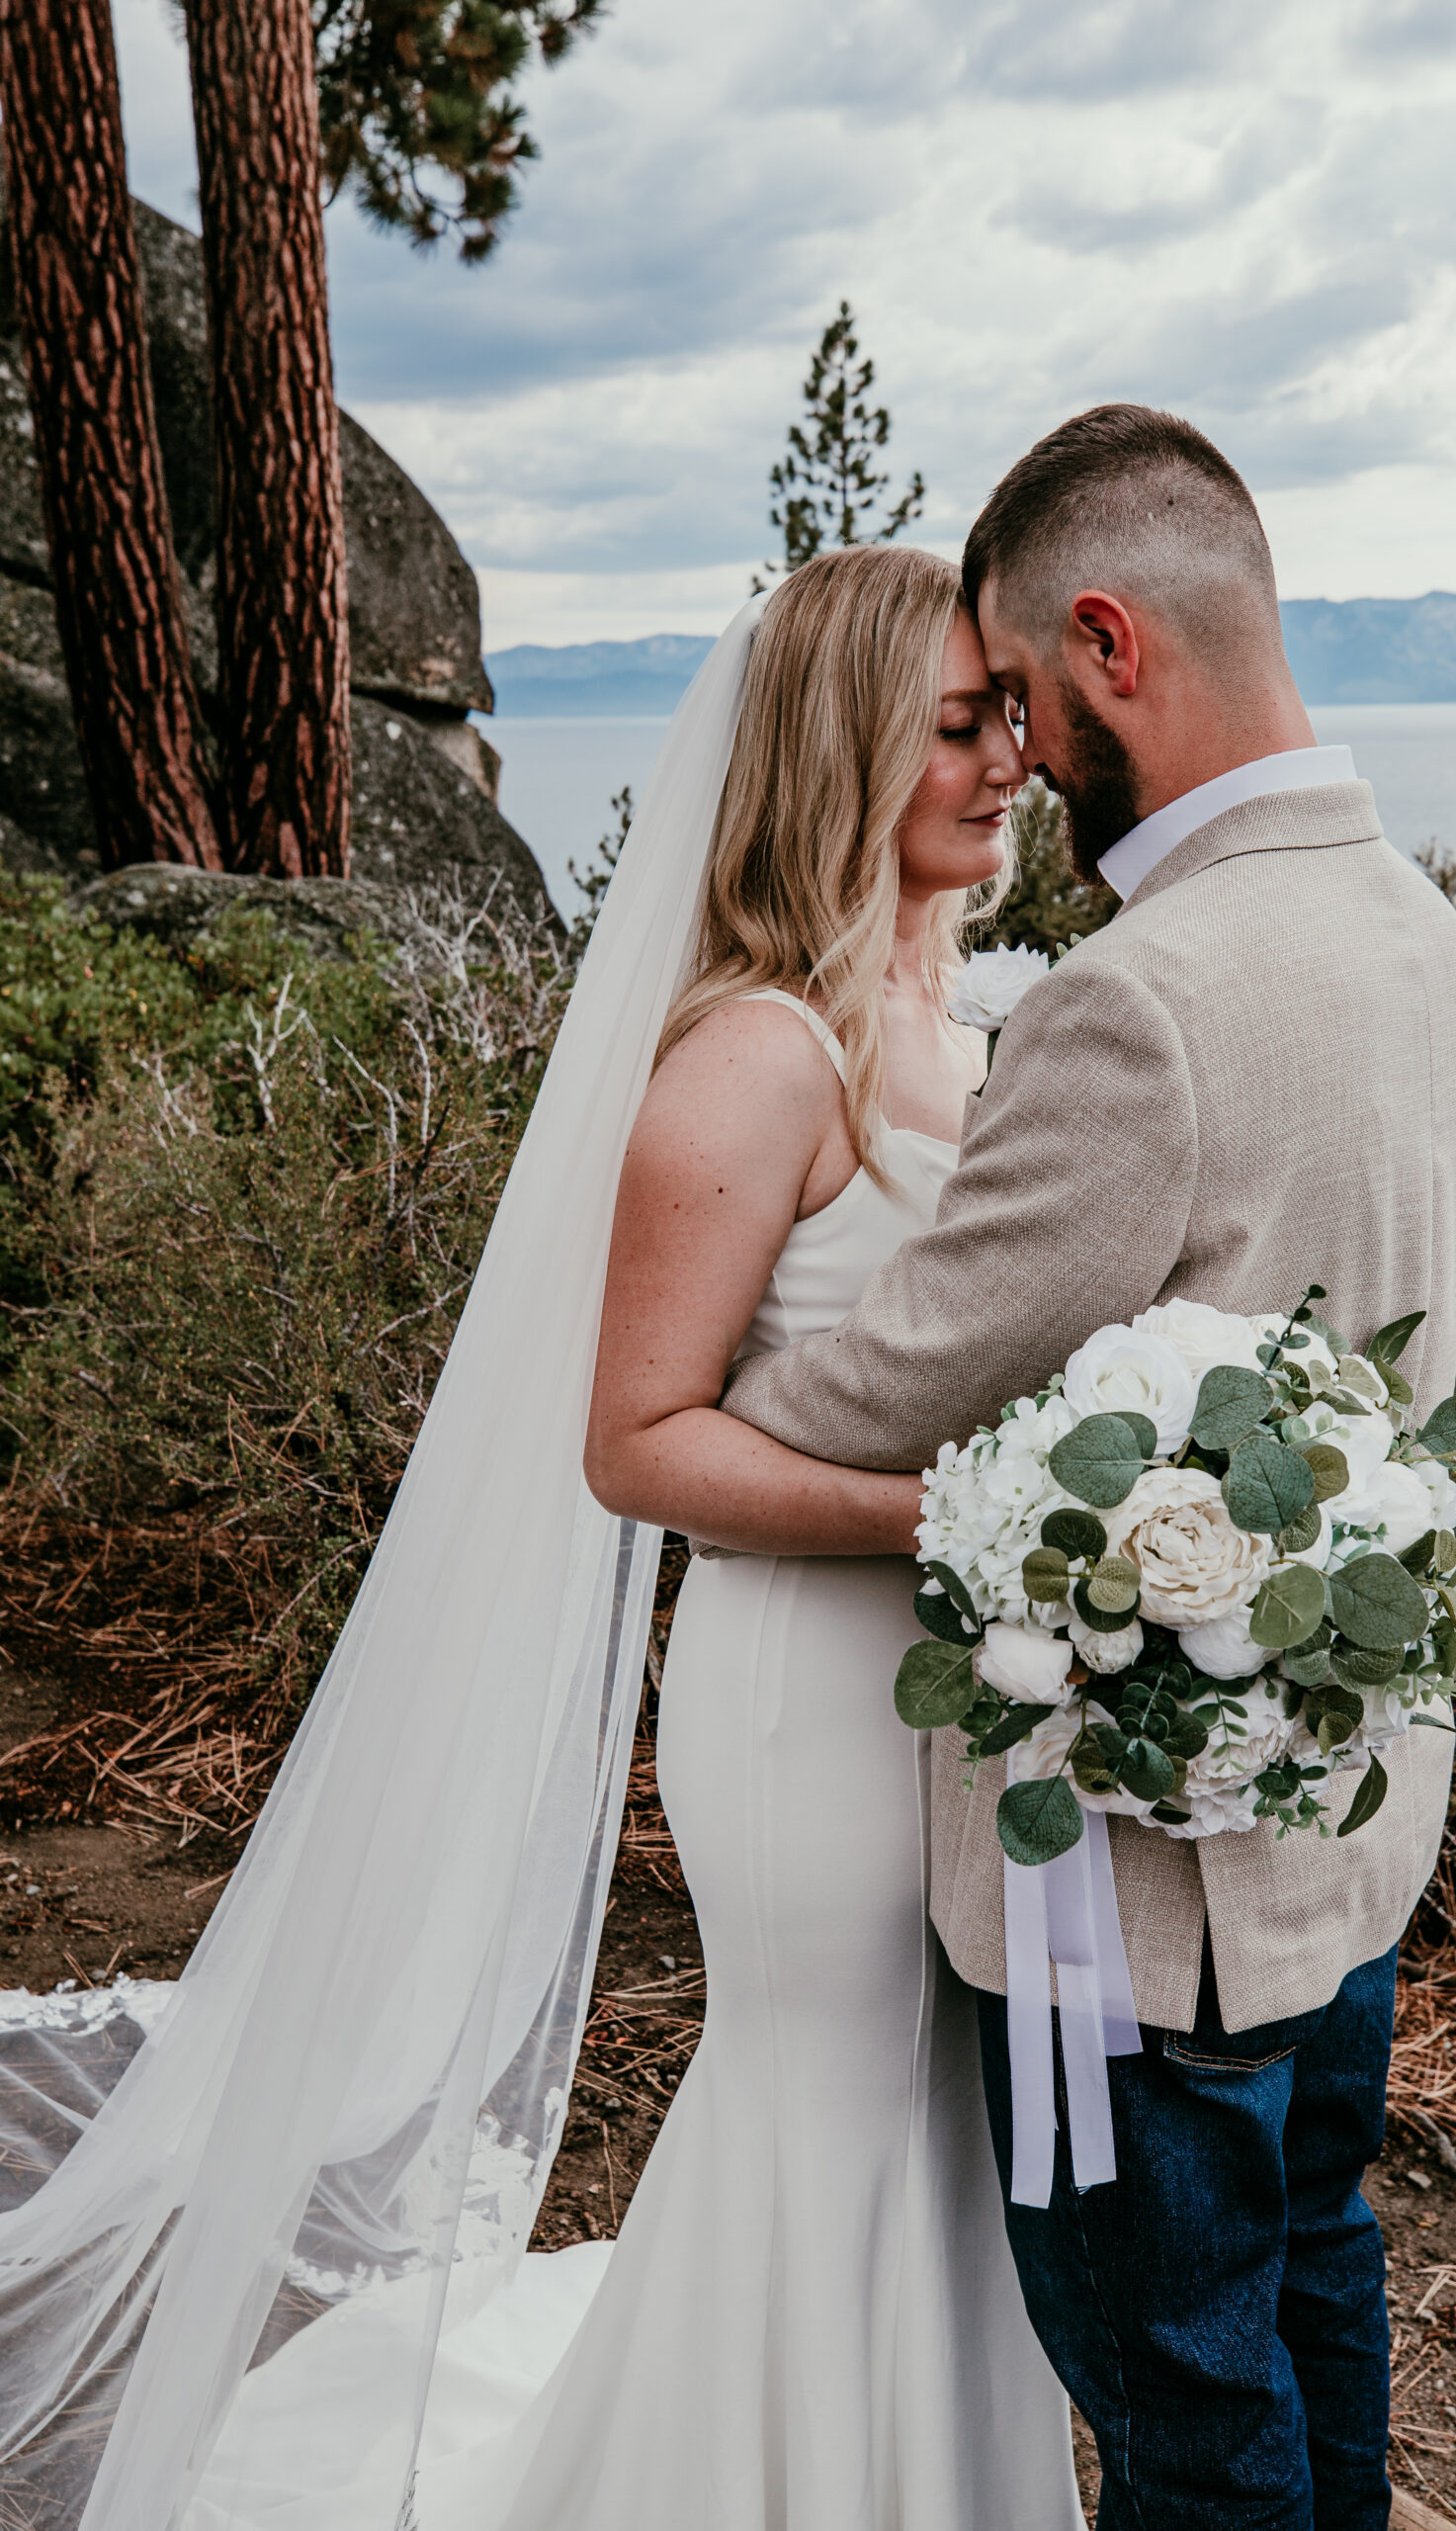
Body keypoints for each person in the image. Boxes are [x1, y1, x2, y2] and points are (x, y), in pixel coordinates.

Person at [0, 547, 1081, 2531]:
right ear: (845, 751)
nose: (1010, 760)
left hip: (956, 1688)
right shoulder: (755, 1055)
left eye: (1009, 715)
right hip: (807, 1702)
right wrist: (948, 1516)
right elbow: (635, 1441)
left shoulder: (978, 1033)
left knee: (942, 2137)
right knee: (834, 2116)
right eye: (958, 723)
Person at [723, 404, 1456, 2531]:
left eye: (1026, 706)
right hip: (1349, 1816)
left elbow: (887, 1385)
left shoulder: (1134, 1000)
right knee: (1318, 2270)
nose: (1023, 762)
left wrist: (709, 1395)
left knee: (1178, 2403)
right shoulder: (1413, 924)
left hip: (1149, 1905)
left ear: (1103, 641)